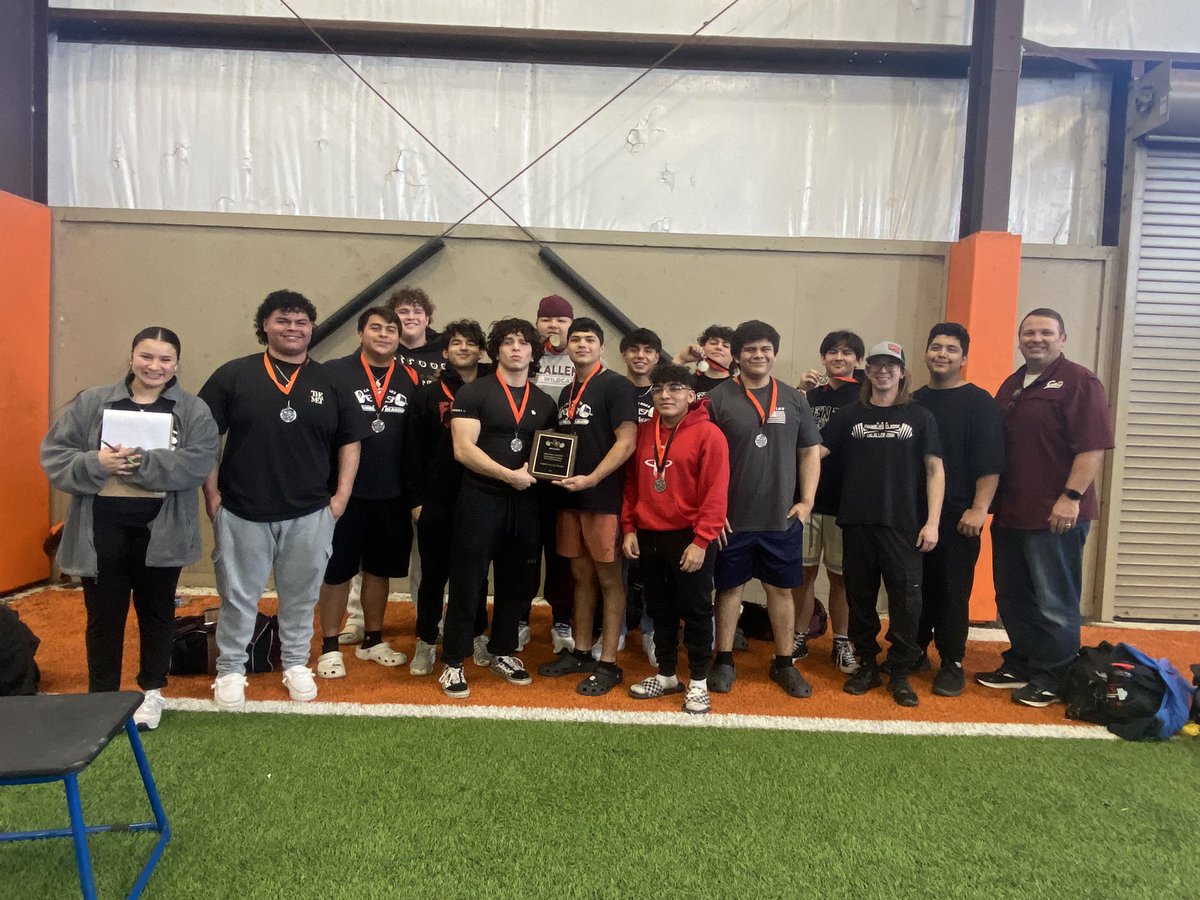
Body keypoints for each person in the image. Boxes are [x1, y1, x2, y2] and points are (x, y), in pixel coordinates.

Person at [41, 327, 219, 730]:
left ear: (177, 364)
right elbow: (54, 454)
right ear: (132, 357)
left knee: (156, 612)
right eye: (146, 356)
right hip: (100, 524)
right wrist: (94, 465)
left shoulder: (193, 411)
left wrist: (143, 464)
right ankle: (102, 697)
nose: (155, 366)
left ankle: (151, 692)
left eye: (164, 359)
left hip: (162, 528)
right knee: (103, 616)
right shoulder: (92, 402)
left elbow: (198, 461)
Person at [199, 290, 367, 710]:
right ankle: (231, 670)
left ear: (311, 329)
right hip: (242, 508)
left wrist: (341, 497)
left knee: (301, 596)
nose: (293, 329)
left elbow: (351, 441)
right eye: (283, 321)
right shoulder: (233, 375)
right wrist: (213, 493)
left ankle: (295, 663)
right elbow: (205, 438)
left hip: (311, 511)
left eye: (301, 322)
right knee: (238, 597)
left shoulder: (331, 381)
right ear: (265, 327)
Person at [976, 309, 1114, 708]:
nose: (1037, 339)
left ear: (1062, 338)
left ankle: (1054, 674)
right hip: (1013, 512)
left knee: (1055, 601)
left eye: (1046, 332)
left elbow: (1092, 447)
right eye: (1029, 333)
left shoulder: (1079, 381)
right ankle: (1023, 662)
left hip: (1056, 514)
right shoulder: (1014, 383)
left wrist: (1071, 497)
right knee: (1014, 597)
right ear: (1019, 340)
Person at [438, 318, 557, 698]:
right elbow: (463, 449)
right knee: (468, 581)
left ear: (534, 352)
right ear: (497, 350)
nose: (516, 348)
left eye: (524, 343)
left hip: (526, 504)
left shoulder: (543, 401)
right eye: (508, 342)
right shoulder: (475, 393)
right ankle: (454, 662)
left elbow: (549, 455)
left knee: (518, 582)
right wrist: (509, 475)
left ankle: (503, 650)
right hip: (481, 500)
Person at [823, 341, 944, 707]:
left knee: (906, 601)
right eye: (877, 364)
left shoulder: (920, 417)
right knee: (860, 598)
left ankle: (901, 671)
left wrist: (933, 522)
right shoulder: (848, 415)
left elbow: (934, 469)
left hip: (904, 525)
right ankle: (867, 666)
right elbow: (817, 451)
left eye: (891, 365)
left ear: (903, 372)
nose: (884, 371)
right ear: (867, 370)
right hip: (857, 523)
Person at [707, 320, 822, 699]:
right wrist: (711, 510)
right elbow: (701, 457)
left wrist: (806, 502)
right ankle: (723, 659)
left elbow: (809, 452)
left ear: (774, 352)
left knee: (782, 591)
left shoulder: (793, 398)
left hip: (780, 518)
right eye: (750, 349)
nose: (759, 355)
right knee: (728, 591)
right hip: (731, 519)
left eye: (765, 348)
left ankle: (784, 662)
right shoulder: (717, 399)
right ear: (737, 356)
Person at [314, 307, 419, 680]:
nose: (384, 334)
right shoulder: (333, 373)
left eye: (391, 329)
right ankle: (328, 646)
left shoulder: (411, 378)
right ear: (361, 333)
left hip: (391, 493)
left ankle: (373, 639)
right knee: (336, 571)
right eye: (375, 328)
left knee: (379, 570)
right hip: (343, 493)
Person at [536, 318, 638, 696]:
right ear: (567, 345)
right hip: (569, 497)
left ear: (601, 347)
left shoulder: (616, 385)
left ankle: (608, 661)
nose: (581, 344)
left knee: (610, 579)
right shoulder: (566, 391)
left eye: (589, 339)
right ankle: (580, 651)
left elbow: (626, 441)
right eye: (575, 338)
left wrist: (594, 478)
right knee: (579, 576)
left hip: (603, 499)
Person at [622, 363, 729, 714]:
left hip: (689, 538)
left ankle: (698, 681)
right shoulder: (643, 432)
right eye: (659, 389)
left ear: (690, 394)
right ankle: (667, 674)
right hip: (650, 535)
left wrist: (701, 541)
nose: (665, 395)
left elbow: (716, 493)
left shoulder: (709, 434)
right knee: (660, 608)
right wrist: (628, 527)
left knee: (696, 610)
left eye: (674, 388)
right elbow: (633, 484)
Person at [913, 323, 1004, 697]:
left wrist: (979, 509)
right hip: (915, 514)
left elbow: (991, 462)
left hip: (959, 515)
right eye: (936, 347)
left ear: (963, 358)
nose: (942, 355)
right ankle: (913, 651)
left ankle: (951, 661)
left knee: (952, 591)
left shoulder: (979, 402)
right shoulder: (914, 399)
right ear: (926, 352)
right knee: (914, 589)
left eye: (951, 349)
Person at [403, 319, 492, 676]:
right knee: (433, 576)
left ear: (481, 351)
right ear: (444, 351)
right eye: (456, 343)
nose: (464, 348)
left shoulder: (492, 392)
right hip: (436, 501)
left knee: (476, 575)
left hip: (480, 498)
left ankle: (475, 634)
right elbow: (411, 450)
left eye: (471, 343)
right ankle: (426, 639)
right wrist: (415, 501)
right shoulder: (427, 394)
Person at [792, 330, 865, 675]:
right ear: (822, 358)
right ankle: (798, 635)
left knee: (841, 578)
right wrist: (800, 393)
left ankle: (841, 641)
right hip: (807, 500)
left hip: (845, 500)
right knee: (803, 574)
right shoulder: (809, 394)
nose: (839, 357)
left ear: (858, 360)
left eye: (848, 353)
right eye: (832, 352)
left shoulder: (864, 394)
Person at [528, 293, 577, 652]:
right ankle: (518, 616)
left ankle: (562, 619)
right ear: (537, 324)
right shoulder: (526, 355)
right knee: (525, 548)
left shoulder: (581, 359)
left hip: (567, 470)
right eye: (547, 319)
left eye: (560, 320)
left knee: (562, 552)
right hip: (524, 468)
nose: (554, 326)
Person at [620, 326, 664, 664]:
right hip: (614, 486)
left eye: (648, 350)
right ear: (624, 354)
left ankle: (651, 629)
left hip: (655, 488)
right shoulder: (612, 389)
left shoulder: (665, 395)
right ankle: (616, 627)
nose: (641, 355)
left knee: (653, 568)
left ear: (657, 356)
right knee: (615, 565)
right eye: (634, 349)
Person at [386, 286, 445, 383]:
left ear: (427, 320)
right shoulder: (379, 350)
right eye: (403, 312)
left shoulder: (446, 351)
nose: (411, 317)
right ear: (392, 319)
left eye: (417, 312)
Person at [674, 324, 736, 398]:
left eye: (726, 346)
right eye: (713, 343)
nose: (719, 347)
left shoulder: (737, 387)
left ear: (734, 356)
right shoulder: (689, 382)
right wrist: (680, 359)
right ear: (702, 347)